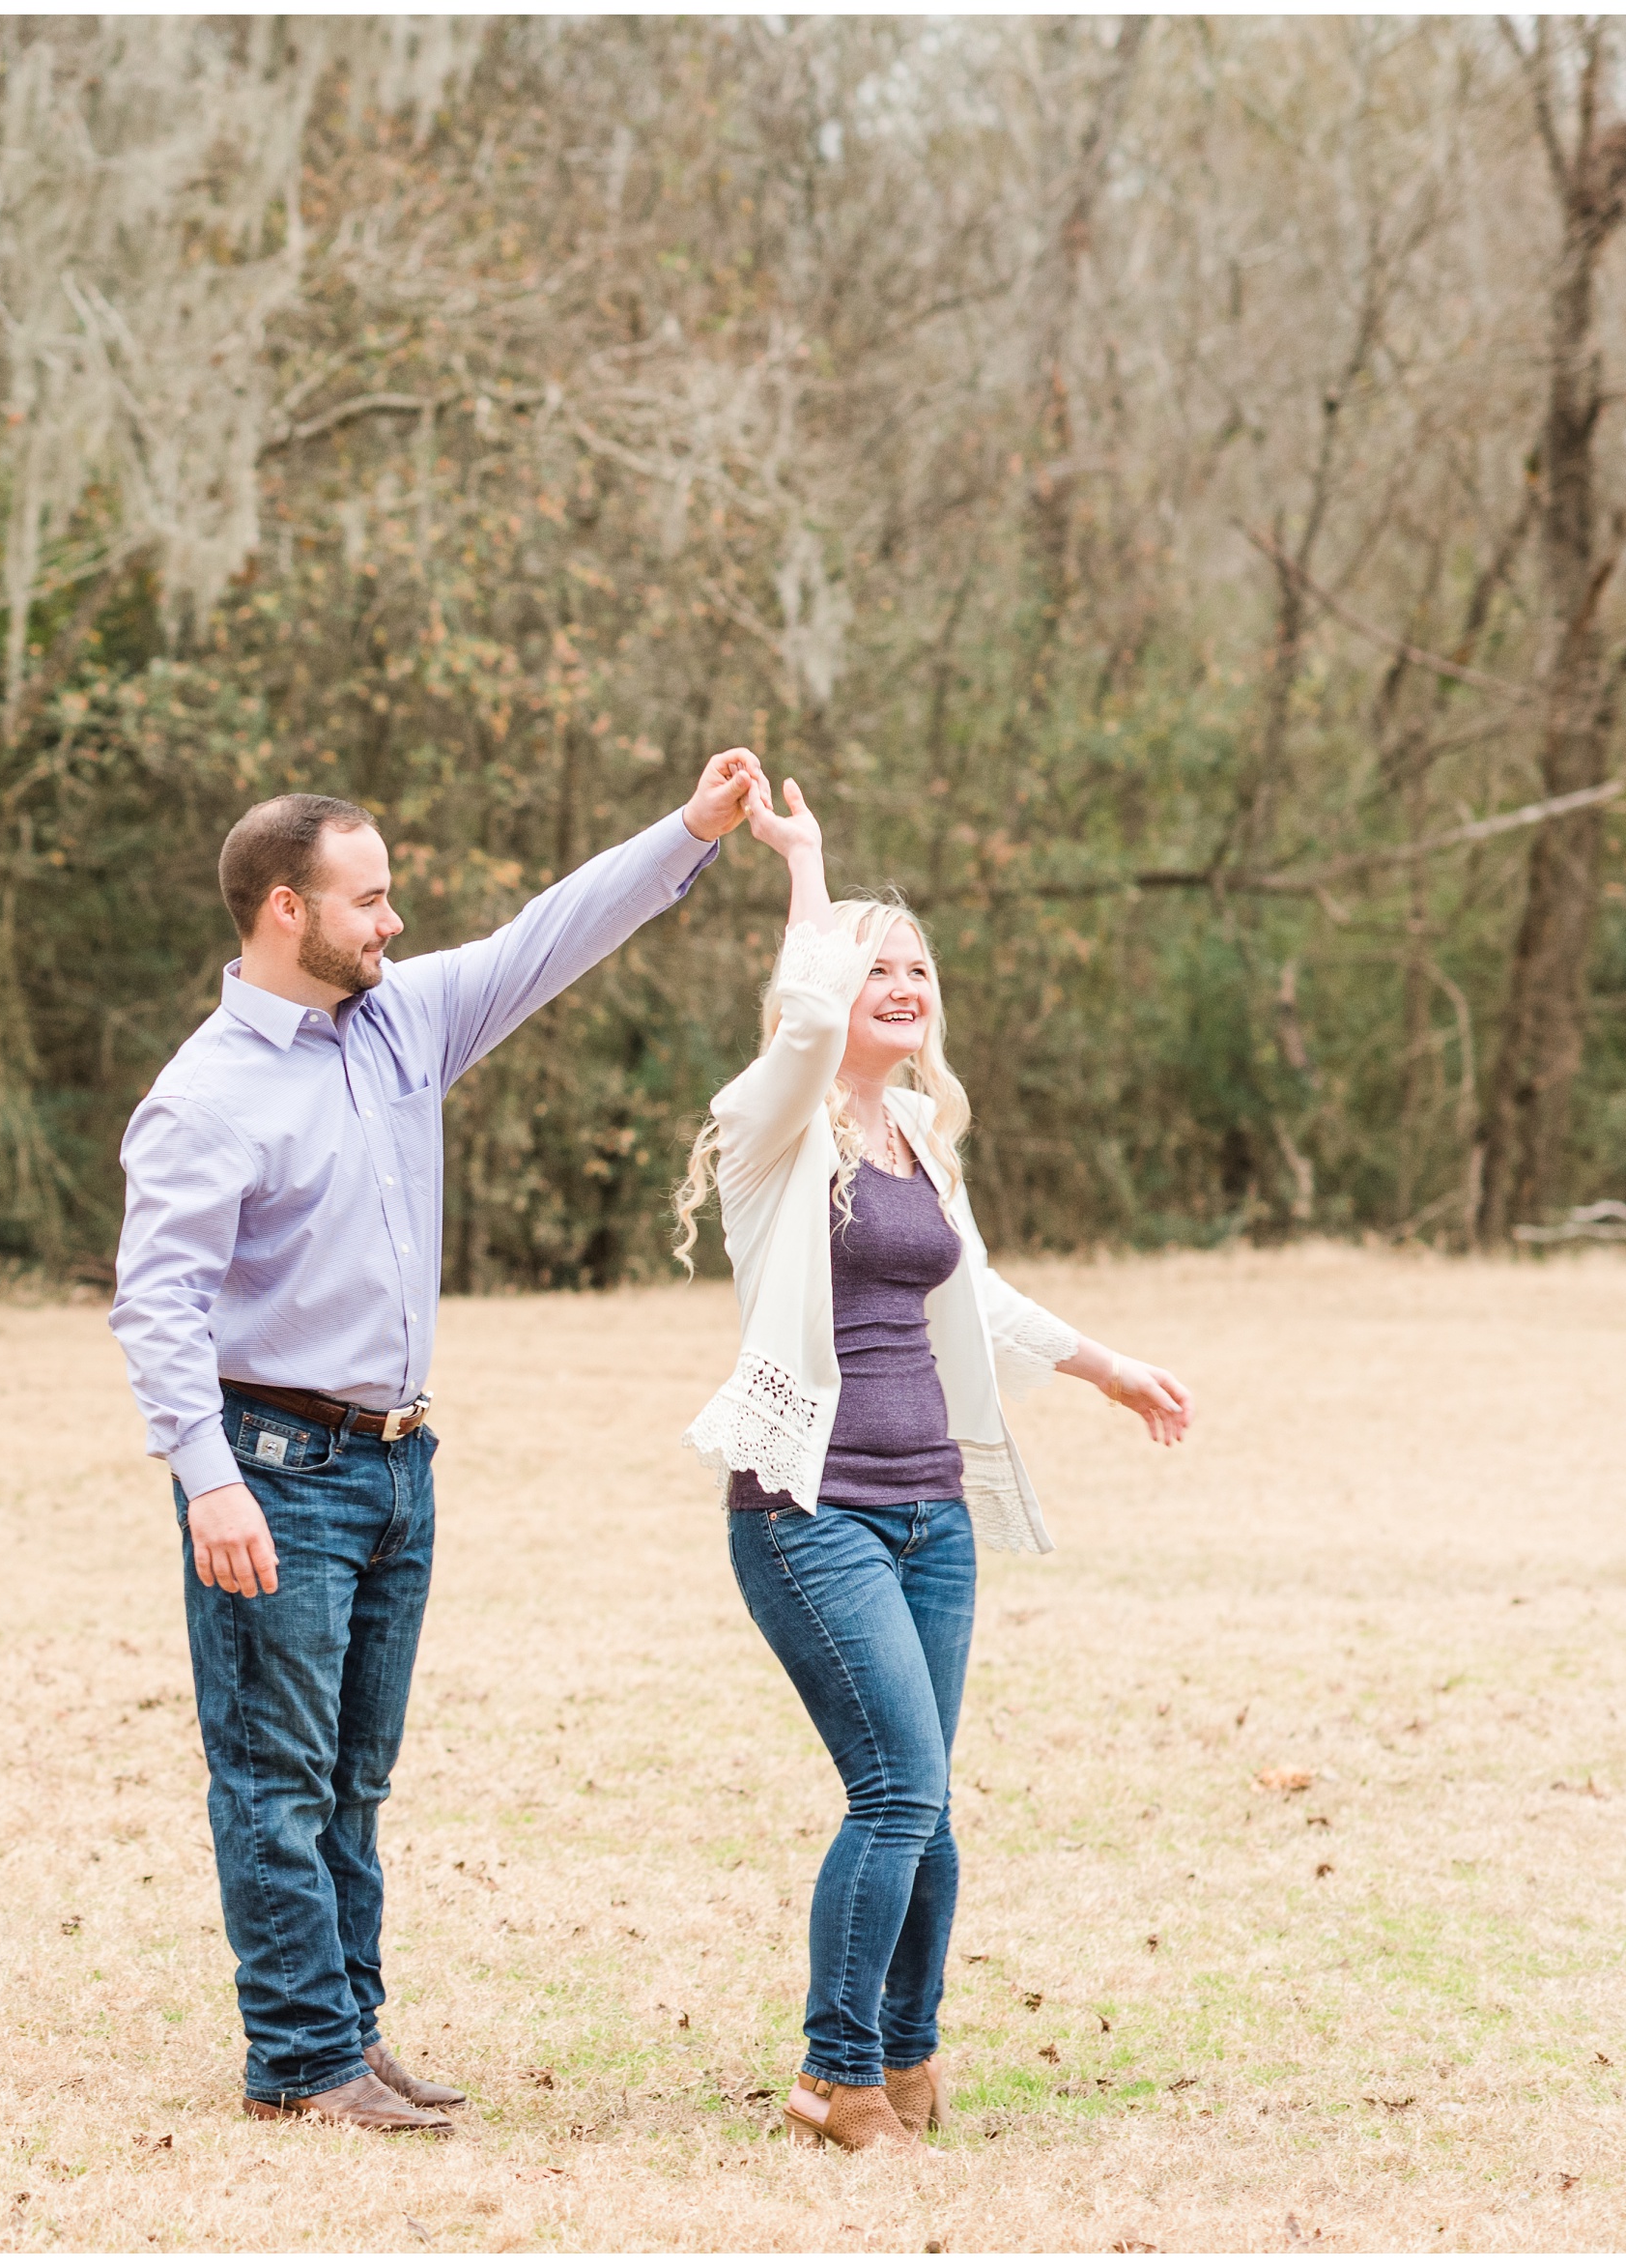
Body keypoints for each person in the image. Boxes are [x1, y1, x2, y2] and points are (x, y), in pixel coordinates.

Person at [111, 749, 766, 2134]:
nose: (393, 923)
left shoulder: (404, 1023)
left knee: (355, 1775)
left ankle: (345, 2028)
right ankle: (298, 2059)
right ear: (285, 910)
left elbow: (549, 934)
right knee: (275, 1774)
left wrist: (691, 828)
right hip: (275, 1472)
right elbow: (156, 1305)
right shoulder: (206, 1094)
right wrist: (207, 1481)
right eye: (370, 899)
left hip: (399, 1465)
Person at [670, 774, 1195, 2155]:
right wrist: (808, 868)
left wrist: (1108, 1367)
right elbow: (797, 1026)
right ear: (829, 989)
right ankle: (830, 2079)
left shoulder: (918, 1139)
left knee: (930, 1806)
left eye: (916, 967)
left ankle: (905, 2064)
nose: (900, 983)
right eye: (872, 965)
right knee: (896, 1790)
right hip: (811, 1513)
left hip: (930, 1516)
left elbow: (983, 1302)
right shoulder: (773, 1132)